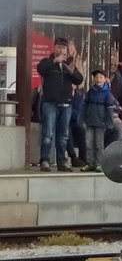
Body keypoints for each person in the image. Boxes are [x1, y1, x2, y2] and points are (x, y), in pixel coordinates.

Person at [36, 37, 83, 171]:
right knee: (48, 133)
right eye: (59, 47)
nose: (61, 50)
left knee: (63, 135)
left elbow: (79, 79)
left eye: (64, 48)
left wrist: (70, 69)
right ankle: (44, 160)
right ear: (54, 48)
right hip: (50, 103)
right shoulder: (47, 61)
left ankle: (62, 162)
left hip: (66, 104)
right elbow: (40, 69)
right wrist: (54, 61)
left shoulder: (69, 63)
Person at [82, 70, 119, 172]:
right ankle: (90, 163)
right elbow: (84, 107)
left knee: (99, 144)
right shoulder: (90, 92)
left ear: (105, 79)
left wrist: (109, 122)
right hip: (90, 121)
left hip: (101, 123)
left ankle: (99, 163)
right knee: (89, 143)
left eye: (101, 77)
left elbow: (109, 110)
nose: (98, 79)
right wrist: (81, 119)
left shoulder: (107, 94)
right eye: (96, 77)